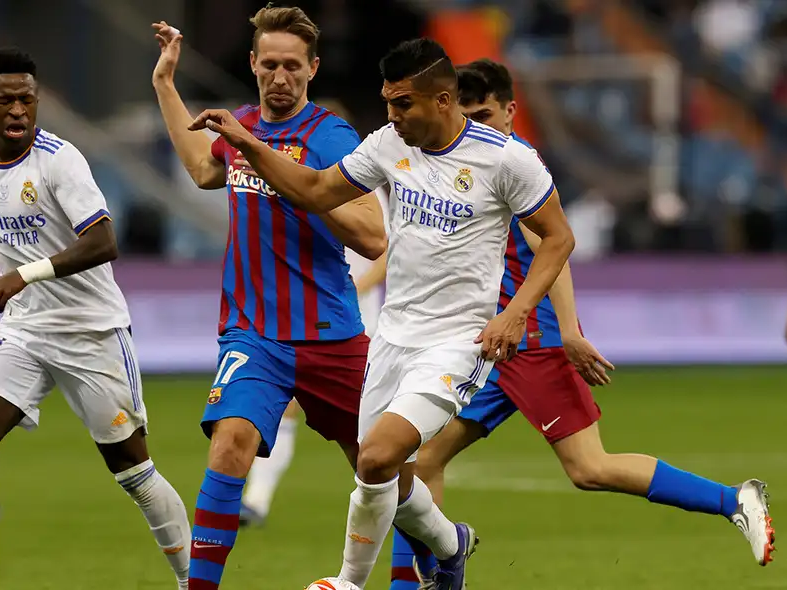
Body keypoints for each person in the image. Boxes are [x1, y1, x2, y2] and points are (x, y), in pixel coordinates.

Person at [189, 38, 576, 590]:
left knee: (375, 459)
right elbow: (319, 190)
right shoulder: (389, 144)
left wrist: (515, 313)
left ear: (443, 101)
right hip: (392, 338)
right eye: (388, 102)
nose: (391, 115)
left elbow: (559, 238)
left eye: (402, 104)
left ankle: (347, 582)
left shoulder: (507, 158)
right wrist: (250, 145)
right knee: (382, 472)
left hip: (458, 342)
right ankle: (450, 545)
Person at [386, 59, 776, 590]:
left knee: (589, 467)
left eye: (486, 113)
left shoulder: (513, 164)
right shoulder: (467, 162)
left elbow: (554, 247)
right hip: (486, 345)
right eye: (468, 113)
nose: (476, 124)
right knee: (418, 457)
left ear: (510, 111)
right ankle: (422, 579)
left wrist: (569, 331)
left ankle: (734, 500)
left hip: (530, 343)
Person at [0, 47, 191, 590]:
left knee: (133, 472)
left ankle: (193, 583)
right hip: (24, 329)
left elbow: (104, 241)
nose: (18, 110)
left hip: (92, 331)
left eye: (27, 100)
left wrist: (25, 273)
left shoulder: (61, 160)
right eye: (6, 101)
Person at [151, 7, 387, 589]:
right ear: (253, 64)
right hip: (254, 332)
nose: (280, 76)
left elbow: (372, 235)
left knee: (383, 469)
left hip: (330, 334)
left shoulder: (330, 136)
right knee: (230, 443)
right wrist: (165, 84)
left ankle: (436, 549)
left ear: (312, 68)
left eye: (292, 66)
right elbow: (203, 171)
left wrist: (255, 151)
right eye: (270, 64)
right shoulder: (244, 125)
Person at [239, 102, 391, 529]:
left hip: (360, 323)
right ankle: (256, 501)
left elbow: (386, 248)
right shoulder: (299, 182)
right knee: (287, 409)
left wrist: (354, 286)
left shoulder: (366, 188)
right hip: (311, 320)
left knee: (368, 436)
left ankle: (404, 516)